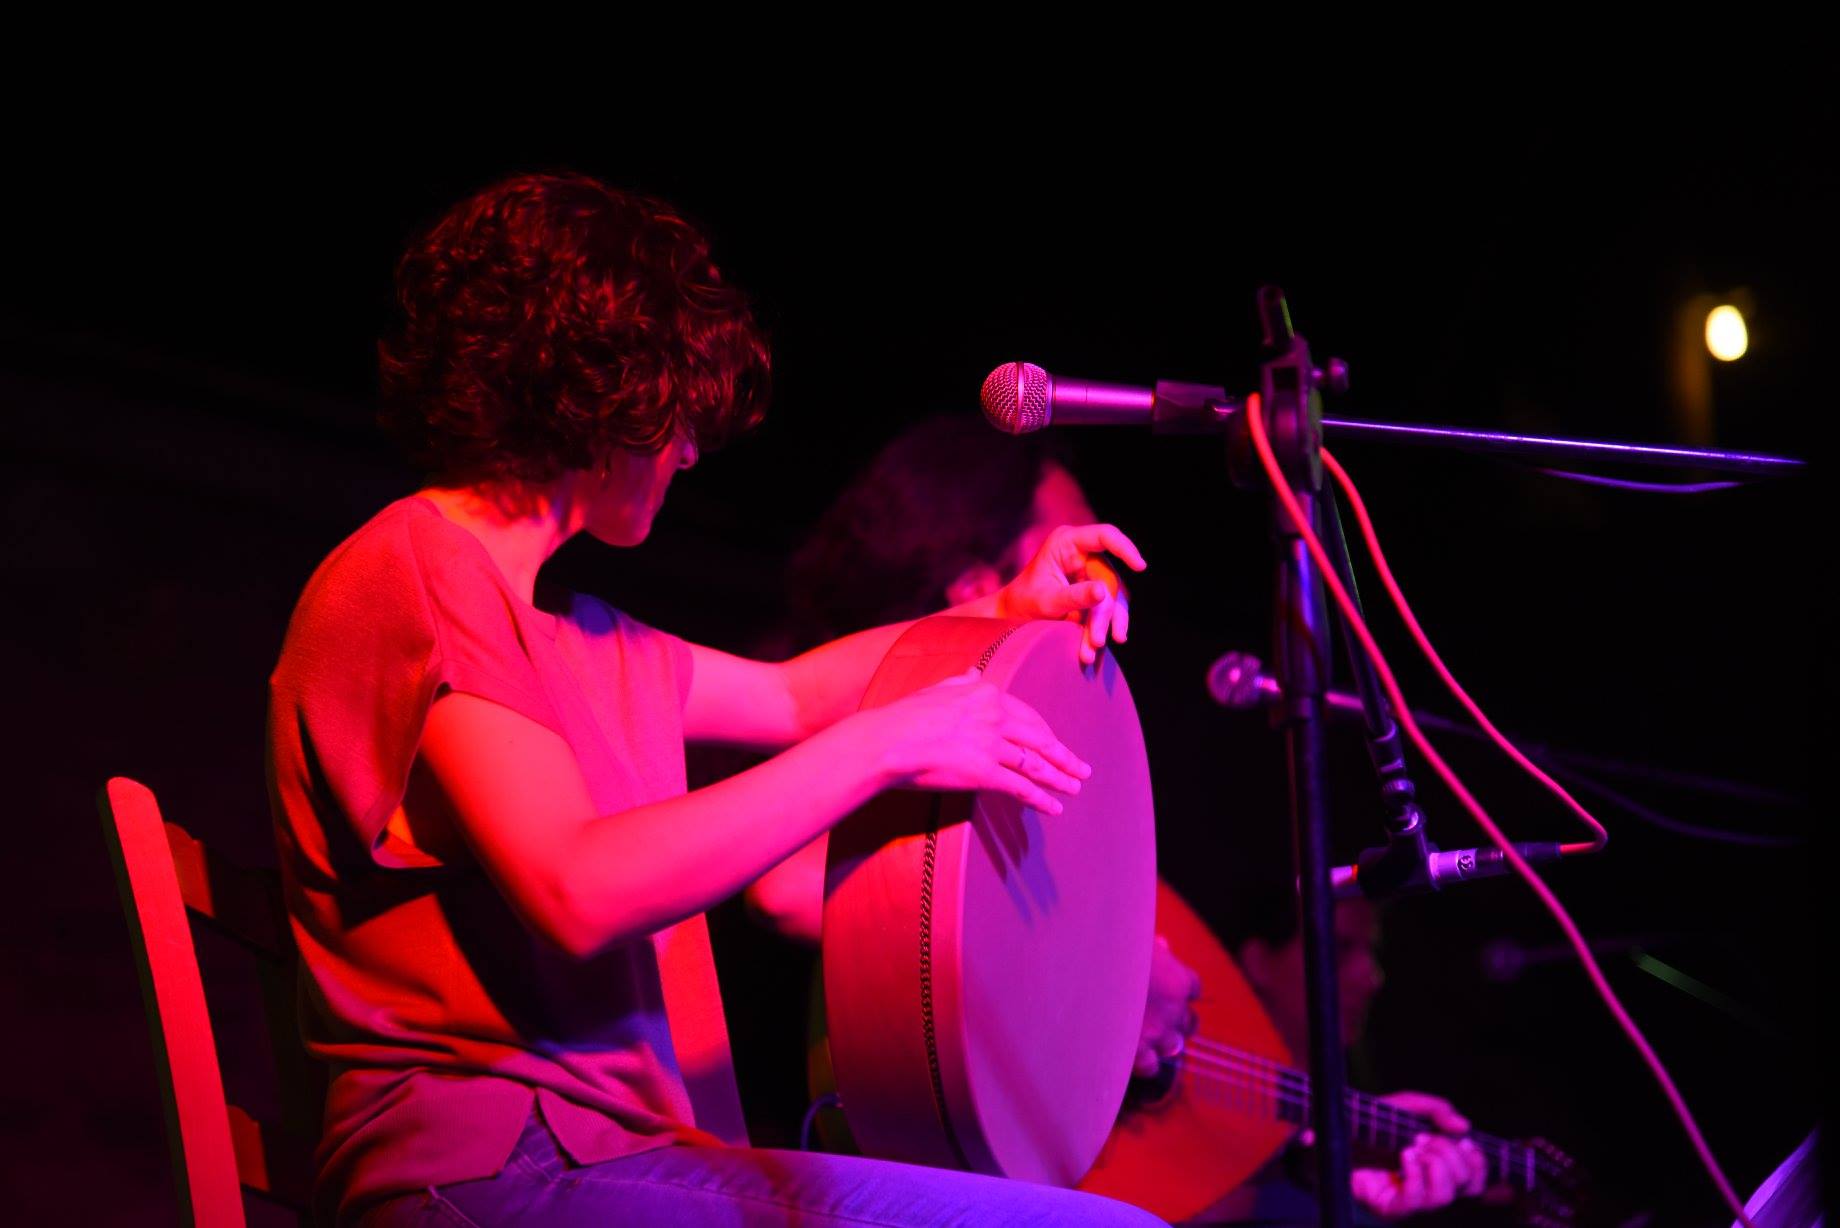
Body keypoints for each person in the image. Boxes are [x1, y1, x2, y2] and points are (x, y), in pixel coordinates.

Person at [265, 172, 1164, 1227]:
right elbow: (578, 888)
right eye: (679, 410)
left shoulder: (568, 634)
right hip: (497, 1170)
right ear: (601, 388)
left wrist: (1007, 610)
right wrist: (888, 744)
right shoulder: (421, 569)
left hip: (599, 1160)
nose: (691, 450)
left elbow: (791, 698)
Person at [749, 416, 1489, 1223]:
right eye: (1078, 551)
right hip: (915, 1162)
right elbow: (789, 884)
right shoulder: (880, 734)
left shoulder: (1040, 781)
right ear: (975, 586)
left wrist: (1324, 1148)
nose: (1105, 579)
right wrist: (1108, 982)